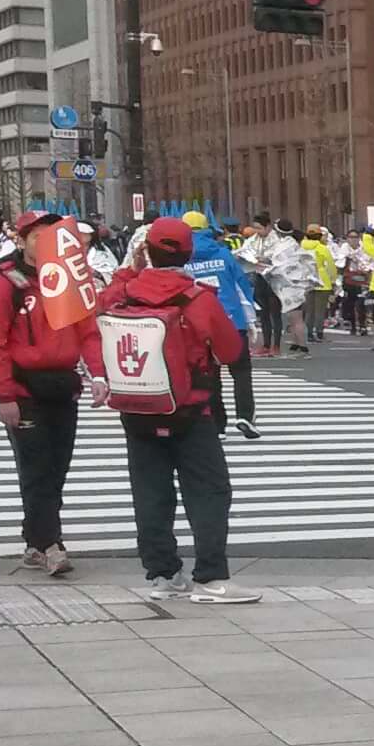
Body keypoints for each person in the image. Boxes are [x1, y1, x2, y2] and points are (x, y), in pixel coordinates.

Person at [93, 218, 258, 604]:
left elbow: (100, 315)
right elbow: (231, 352)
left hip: (136, 407)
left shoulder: (122, 294)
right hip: (189, 409)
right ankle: (211, 576)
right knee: (209, 491)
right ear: (188, 252)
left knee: (150, 493)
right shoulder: (198, 298)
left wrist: (130, 267)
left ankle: (163, 574)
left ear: (145, 250)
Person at [0, 213, 82, 577]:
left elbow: (89, 330)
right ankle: (51, 544)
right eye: (38, 235)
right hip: (23, 388)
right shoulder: (5, 287)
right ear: (22, 240)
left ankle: (34, 542)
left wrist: (98, 374)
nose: (46, 241)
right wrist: (3, 395)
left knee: (57, 468)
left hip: (63, 386)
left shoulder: (67, 282)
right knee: (37, 469)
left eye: (53, 234)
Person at [180, 213, 261, 441]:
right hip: (231, 319)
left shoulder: (183, 257)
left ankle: (217, 424)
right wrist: (250, 319)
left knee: (210, 373)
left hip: (199, 322)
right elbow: (241, 286)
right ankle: (245, 415)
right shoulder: (224, 253)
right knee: (241, 370)